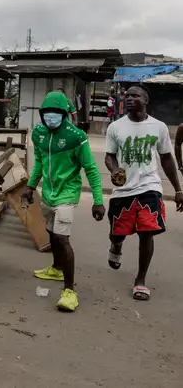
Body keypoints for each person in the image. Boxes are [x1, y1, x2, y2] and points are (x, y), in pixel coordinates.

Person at [25, 92, 105, 312]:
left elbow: (91, 169)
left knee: (62, 238)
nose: (50, 117)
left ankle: (69, 291)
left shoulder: (76, 137)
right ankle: (56, 267)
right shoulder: (39, 134)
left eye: (55, 113)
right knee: (51, 232)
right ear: (41, 114)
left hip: (67, 194)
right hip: (48, 194)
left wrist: (98, 200)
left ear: (64, 114)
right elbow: (39, 162)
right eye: (47, 113)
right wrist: (31, 186)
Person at [104, 85, 183, 301]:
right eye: (127, 95)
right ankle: (116, 245)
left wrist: (178, 189)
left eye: (135, 95)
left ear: (146, 100)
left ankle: (140, 280)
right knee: (117, 232)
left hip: (150, 186)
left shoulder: (159, 127)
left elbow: (166, 158)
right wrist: (114, 169)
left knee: (146, 231)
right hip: (123, 190)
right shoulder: (115, 127)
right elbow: (109, 156)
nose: (129, 98)